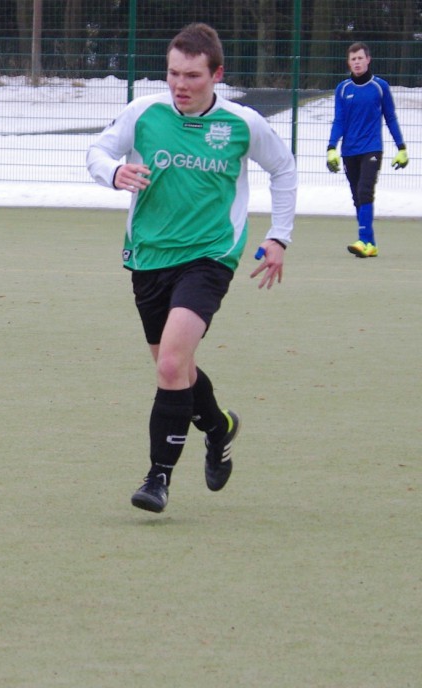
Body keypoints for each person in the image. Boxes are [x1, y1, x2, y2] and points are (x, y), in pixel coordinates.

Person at [86, 23, 297, 513]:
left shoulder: (242, 124)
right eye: (173, 73)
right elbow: (98, 151)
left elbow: (284, 169)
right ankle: (219, 426)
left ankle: (157, 478)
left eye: (192, 76)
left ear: (216, 75)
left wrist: (279, 235)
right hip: (148, 256)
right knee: (176, 366)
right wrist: (113, 172)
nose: (180, 85)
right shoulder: (144, 113)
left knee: (168, 364)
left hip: (210, 256)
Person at [327, 41, 408, 258]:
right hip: (349, 151)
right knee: (357, 197)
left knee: (365, 191)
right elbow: (339, 120)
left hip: (372, 148)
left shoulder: (379, 87)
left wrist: (401, 147)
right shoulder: (342, 89)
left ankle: (363, 240)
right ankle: (370, 243)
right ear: (348, 63)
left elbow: (390, 117)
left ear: (368, 60)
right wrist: (331, 147)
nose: (357, 62)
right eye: (353, 59)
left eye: (360, 58)